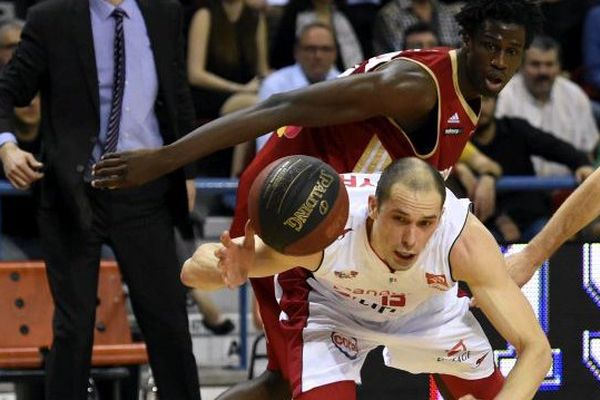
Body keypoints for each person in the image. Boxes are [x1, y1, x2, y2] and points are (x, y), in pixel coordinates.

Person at [92, 1, 543, 398]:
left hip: (340, 213)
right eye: (490, 46)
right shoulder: (413, 87)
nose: (500, 61)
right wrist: (166, 160)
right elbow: (280, 106)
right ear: (465, 38)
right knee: (283, 380)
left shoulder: (467, 92)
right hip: (293, 206)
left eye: (511, 51)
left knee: (280, 383)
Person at [183, 157, 552, 400]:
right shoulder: (329, 228)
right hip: (334, 311)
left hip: (426, 313)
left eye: (425, 224)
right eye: (400, 219)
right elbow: (190, 271)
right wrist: (226, 268)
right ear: (373, 209)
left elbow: (536, 350)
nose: (411, 239)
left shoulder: (463, 242)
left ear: (440, 218)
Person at [0, 0, 201, 398]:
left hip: (146, 190)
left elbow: (177, 93)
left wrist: (187, 169)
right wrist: (6, 145)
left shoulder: (165, 13)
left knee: (169, 323)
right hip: (76, 192)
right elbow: (7, 90)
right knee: (73, 328)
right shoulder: (52, 18)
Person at [469, 96, 593, 242]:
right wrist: (499, 219)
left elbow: (553, 146)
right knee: (480, 243)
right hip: (486, 224)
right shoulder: (457, 143)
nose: (481, 107)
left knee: (553, 240)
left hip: (531, 218)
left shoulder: (515, 128)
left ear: (496, 102)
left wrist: (581, 164)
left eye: (486, 99)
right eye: (475, 100)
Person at [495, 35, 599, 177]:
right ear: (521, 66)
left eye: (549, 64)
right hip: (517, 190)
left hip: (568, 188)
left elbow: (588, 151)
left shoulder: (575, 96)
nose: (543, 71)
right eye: (535, 64)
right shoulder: (503, 97)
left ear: (559, 67)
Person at [256, 22, 340, 151]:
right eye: (310, 49)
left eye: (325, 49)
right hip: (284, 163)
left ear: (335, 53)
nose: (318, 56)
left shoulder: (344, 82)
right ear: (297, 52)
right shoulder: (274, 84)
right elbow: (265, 145)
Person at [372, 0, 461, 55]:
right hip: (404, 74)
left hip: (444, 69)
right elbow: (400, 54)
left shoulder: (446, 11)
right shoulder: (390, 14)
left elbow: (457, 49)